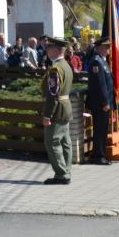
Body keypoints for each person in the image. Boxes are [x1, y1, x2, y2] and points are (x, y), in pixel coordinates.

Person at [40, 37, 74, 184]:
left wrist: (47, 115)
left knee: (52, 142)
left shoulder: (56, 68)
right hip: (65, 107)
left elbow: (53, 95)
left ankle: (61, 174)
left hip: (57, 109)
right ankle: (66, 171)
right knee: (65, 142)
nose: (47, 50)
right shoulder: (66, 65)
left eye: (49, 48)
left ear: (56, 50)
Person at [86, 37, 113, 165]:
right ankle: (98, 156)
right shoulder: (96, 62)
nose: (108, 49)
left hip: (103, 103)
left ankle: (100, 154)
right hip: (100, 104)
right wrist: (105, 102)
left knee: (103, 129)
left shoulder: (102, 61)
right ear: (99, 48)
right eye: (106, 47)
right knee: (100, 130)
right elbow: (100, 84)